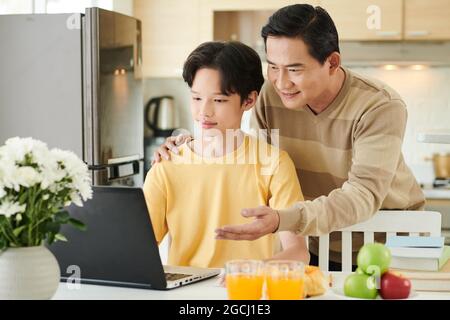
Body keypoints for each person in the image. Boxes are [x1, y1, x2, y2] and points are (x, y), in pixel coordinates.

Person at [153, 4, 425, 270]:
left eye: (294, 69)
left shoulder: (379, 105)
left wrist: (285, 219)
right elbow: (254, 158)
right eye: (273, 66)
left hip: (387, 243)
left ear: (332, 62)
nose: (281, 82)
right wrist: (194, 143)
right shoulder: (274, 95)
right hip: (316, 241)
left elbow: (363, 194)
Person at [143, 41, 310, 268]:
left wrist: (251, 271)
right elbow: (139, 250)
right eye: (196, 98)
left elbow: (298, 252)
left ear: (249, 100)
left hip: (248, 292)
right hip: (187, 296)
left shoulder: (274, 164)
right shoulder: (166, 165)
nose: (204, 112)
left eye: (219, 100)